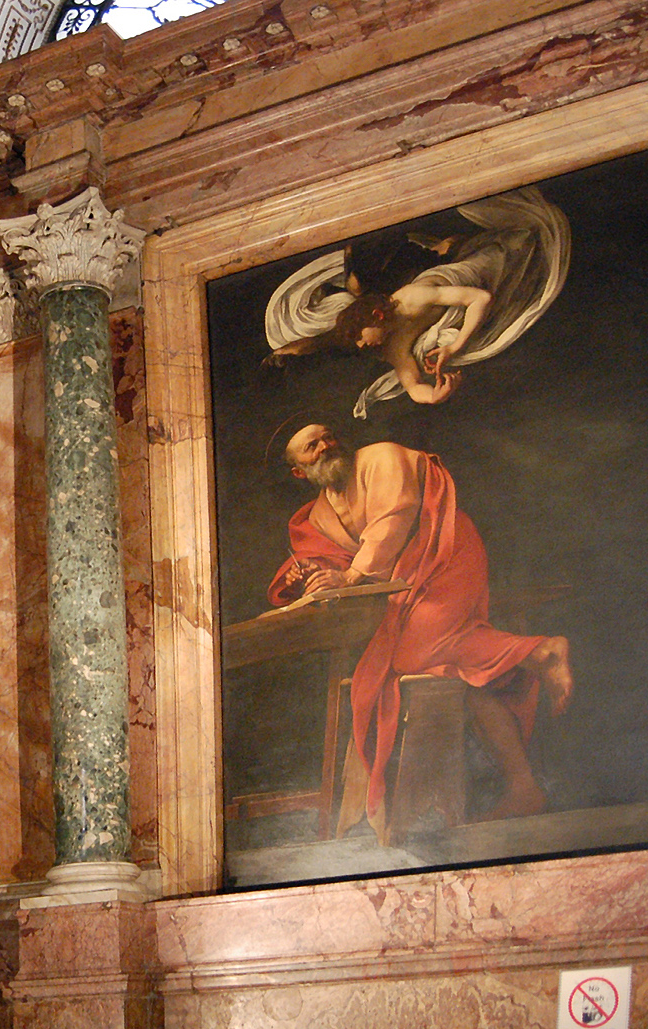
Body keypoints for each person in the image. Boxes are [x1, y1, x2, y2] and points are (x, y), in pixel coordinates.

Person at [268, 423, 574, 831]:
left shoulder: (380, 458)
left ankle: (541, 652)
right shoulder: (319, 514)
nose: (326, 446)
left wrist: (350, 576)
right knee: (467, 679)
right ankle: (524, 787)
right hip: (408, 582)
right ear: (299, 472)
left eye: (327, 436)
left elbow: (392, 524)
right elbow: (324, 557)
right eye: (312, 446)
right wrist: (308, 574)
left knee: (411, 655)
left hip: (445, 553)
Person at [266, 186, 570, 417]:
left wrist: (455, 346)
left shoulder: (411, 298)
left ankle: (460, 245)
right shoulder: (392, 345)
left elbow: (480, 297)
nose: (363, 347)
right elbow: (412, 386)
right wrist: (435, 396)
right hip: (461, 284)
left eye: (360, 338)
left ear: (375, 315)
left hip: (476, 274)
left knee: (523, 246)